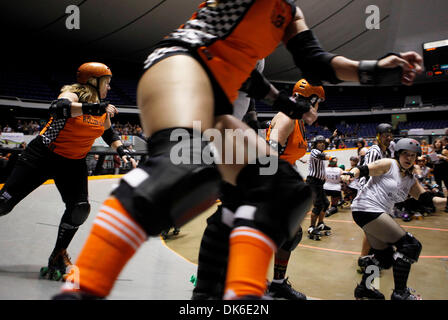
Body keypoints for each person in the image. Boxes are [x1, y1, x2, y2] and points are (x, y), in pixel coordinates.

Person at [54, 1, 422, 300]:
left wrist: (373, 70)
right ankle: (84, 287)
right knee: (189, 165)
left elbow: (310, 61)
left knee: (283, 191)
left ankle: (239, 297)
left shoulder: (289, 12)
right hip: (182, 64)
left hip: (218, 101)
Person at [0, 62, 137, 281]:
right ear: (94, 80)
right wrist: (95, 108)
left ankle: (58, 255)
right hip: (43, 156)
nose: (109, 88)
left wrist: (122, 150)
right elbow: (58, 108)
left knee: (79, 209)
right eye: (107, 83)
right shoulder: (72, 93)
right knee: (3, 204)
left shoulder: (102, 107)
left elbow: (108, 132)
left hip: (73, 163)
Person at [192, 76, 318, 301]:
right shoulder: (289, 118)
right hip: (231, 147)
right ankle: (230, 283)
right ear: (313, 100)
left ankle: (217, 284)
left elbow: (250, 105)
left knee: (238, 218)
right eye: (318, 104)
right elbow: (273, 146)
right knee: (266, 218)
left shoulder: (292, 116)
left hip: (241, 148)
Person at [342, 138, 446, 300]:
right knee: (410, 246)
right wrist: (350, 173)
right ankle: (400, 293)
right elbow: (364, 169)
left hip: (371, 213)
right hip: (367, 208)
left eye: (412, 155)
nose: (409, 158)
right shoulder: (389, 164)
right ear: (398, 154)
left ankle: (365, 288)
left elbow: (429, 200)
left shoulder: (410, 180)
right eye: (405, 154)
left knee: (384, 258)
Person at [357, 123, 393, 273]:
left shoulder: (387, 153)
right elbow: (366, 172)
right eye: (386, 135)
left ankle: (368, 257)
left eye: (391, 135)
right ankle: (364, 259)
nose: (389, 138)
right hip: (370, 195)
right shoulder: (375, 151)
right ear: (378, 136)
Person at [307, 135, 336, 240]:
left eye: (323, 142)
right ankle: (311, 227)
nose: (322, 144)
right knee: (318, 205)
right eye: (320, 142)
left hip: (319, 183)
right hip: (313, 182)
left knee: (326, 203)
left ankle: (320, 223)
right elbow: (322, 156)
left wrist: (332, 137)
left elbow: (326, 143)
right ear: (315, 144)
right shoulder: (314, 151)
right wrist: (331, 158)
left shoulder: (320, 149)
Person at [430, 139, 448, 212]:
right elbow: (432, 164)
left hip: (445, 171)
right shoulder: (433, 152)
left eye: (439, 142)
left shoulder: (444, 150)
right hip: (436, 171)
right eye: (436, 142)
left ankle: (447, 205)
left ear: (441, 143)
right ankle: (441, 204)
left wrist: (442, 157)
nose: (437, 143)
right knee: (438, 188)